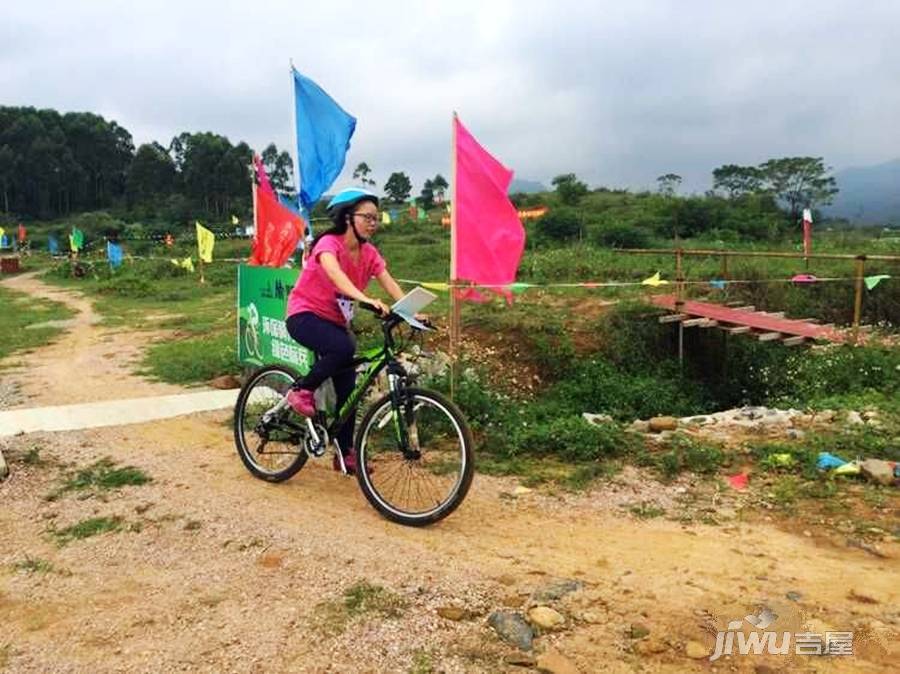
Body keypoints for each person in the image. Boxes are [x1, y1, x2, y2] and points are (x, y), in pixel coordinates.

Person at [284, 187, 407, 474]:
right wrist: (365, 299)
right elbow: (335, 275)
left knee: (348, 391)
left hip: (336, 323)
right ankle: (301, 390)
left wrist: (411, 312)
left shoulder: (370, 253)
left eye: (376, 218)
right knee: (343, 347)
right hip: (304, 315)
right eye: (367, 217)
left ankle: (344, 453)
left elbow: (388, 282)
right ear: (347, 218)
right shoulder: (328, 244)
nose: (373, 223)